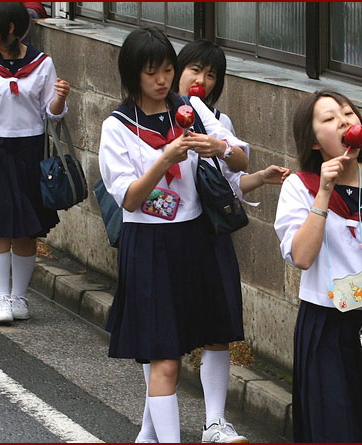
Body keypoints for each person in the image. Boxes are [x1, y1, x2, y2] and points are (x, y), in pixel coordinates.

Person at [124, 38, 290, 444]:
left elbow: (232, 175)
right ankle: (152, 426)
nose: (201, 79)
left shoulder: (207, 117)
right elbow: (127, 194)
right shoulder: (127, 122)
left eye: (212, 74)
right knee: (161, 338)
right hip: (156, 235)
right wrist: (166, 158)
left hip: (204, 232)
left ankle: (214, 422)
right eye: (193, 69)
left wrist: (226, 151)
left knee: (215, 326)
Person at [98, 26, 251, 444]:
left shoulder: (190, 109)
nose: (163, 80)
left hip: (196, 237)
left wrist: (218, 148)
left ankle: (198, 426)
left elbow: (239, 159)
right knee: (164, 357)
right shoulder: (117, 127)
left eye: (167, 70)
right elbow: (130, 198)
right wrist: (164, 159)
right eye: (152, 73)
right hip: (148, 244)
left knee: (212, 334)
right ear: (133, 74)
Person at [273, 89, 362, 442]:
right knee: (335, 426)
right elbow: (301, 257)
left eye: (348, 113)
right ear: (314, 141)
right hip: (328, 323)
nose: (343, 121)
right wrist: (324, 192)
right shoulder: (300, 186)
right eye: (329, 118)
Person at [0, 2, 70, 325]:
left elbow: (50, 114)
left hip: (28, 150)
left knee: (25, 230)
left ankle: (20, 296)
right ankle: (1, 298)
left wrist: (60, 98)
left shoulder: (41, 63)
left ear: (10, 28)